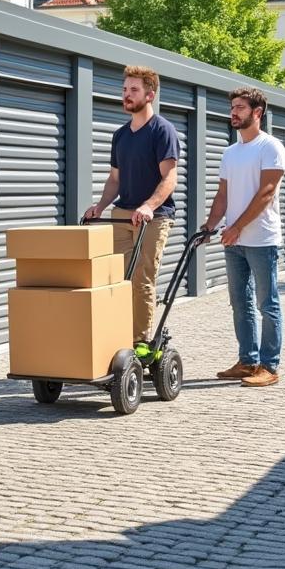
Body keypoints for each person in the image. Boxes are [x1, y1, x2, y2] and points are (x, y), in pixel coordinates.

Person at [84, 65, 180, 359]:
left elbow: (170, 178)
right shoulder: (120, 135)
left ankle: (141, 342)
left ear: (150, 95)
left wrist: (149, 206)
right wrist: (100, 206)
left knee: (141, 278)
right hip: (122, 214)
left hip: (154, 217)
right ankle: (117, 336)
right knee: (117, 279)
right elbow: (115, 179)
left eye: (134, 90)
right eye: (125, 89)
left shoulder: (162, 131)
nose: (126, 95)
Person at [202, 87, 285, 387]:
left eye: (239, 107)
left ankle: (269, 365)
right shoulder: (230, 152)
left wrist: (236, 226)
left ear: (257, 112)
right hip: (234, 243)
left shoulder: (271, 148)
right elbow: (223, 195)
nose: (233, 113)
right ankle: (248, 360)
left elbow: (266, 193)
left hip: (262, 240)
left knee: (267, 304)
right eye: (232, 108)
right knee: (240, 303)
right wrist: (210, 226)